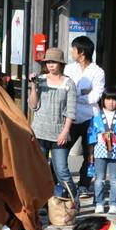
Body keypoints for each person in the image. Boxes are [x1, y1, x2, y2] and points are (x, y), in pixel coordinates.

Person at [28, 48, 77, 200]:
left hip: (59, 133)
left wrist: (65, 131)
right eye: (48, 62)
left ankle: (73, 201)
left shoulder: (68, 83)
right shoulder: (40, 80)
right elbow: (33, 106)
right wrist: (34, 86)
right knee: (39, 171)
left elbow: (71, 111)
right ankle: (42, 204)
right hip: (39, 131)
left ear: (61, 64)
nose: (51, 65)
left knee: (61, 170)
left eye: (54, 62)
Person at [65, 36, 106, 194]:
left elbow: (95, 97)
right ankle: (60, 183)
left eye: (73, 49)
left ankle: (84, 184)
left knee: (90, 154)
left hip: (91, 118)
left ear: (81, 52)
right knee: (61, 151)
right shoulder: (69, 69)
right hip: (71, 116)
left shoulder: (98, 71)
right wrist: (82, 94)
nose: (71, 52)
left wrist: (75, 95)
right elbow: (66, 91)